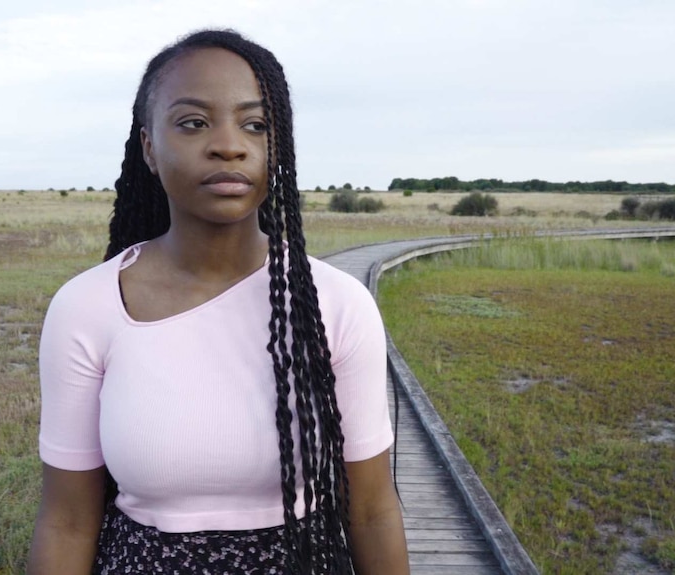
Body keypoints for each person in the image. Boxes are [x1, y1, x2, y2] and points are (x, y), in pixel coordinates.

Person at [27, 29, 409, 574]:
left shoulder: (336, 304)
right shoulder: (87, 307)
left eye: (255, 124)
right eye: (193, 122)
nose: (229, 144)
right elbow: (66, 521)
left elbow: (372, 512)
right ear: (148, 147)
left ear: (278, 148)